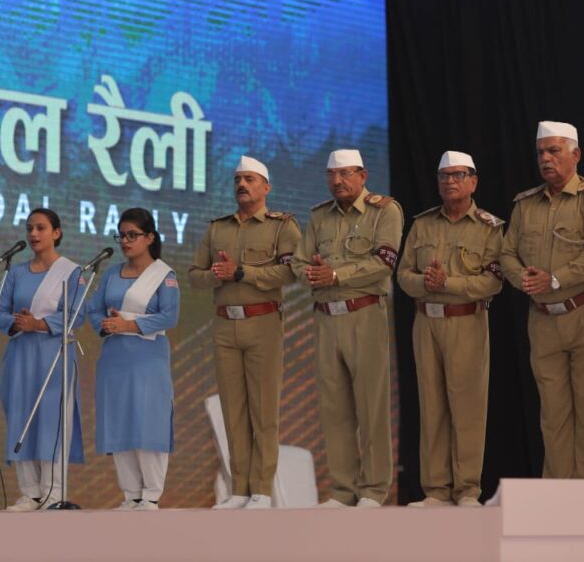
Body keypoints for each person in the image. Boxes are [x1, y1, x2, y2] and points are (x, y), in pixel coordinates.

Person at [499, 122, 584, 479]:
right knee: (552, 415)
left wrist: (554, 279)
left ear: (576, 155)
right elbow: (506, 254)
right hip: (543, 318)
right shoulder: (526, 204)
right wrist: (525, 279)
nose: (546, 159)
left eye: (554, 151)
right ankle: (556, 496)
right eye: (541, 152)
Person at [189, 156, 301, 510]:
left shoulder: (282, 226)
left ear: (266, 186)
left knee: (263, 411)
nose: (242, 185)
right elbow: (194, 276)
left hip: (263, 322)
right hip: (225, 325)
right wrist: (216, 275)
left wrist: (242, 273)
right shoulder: (217, 229)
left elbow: (291, 272)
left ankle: (262, 490)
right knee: (232, 411)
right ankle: (239, 489)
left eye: (250, 179)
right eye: (238, 179)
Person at [292, 149, 402, 508]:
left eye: (344, 174)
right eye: (331, 175)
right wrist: (311, 273)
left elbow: (384, 262)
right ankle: (342, 490)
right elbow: (299, 262)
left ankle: (373, 489)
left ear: (363, 175)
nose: (337, 181)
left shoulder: (384, 211)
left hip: (364, 314)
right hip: (325, 318)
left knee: (371, 407)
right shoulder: (319, 215)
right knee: (334, 410)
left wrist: (337, 274)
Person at [397, 151, 504, 508]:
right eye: (444, 176)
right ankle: (436, 490)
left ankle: (467, 490)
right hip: (426, 322)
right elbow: (403, 275)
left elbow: (493, 282)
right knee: (431, 406)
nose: (450, 182)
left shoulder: (489, 227)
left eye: (458, 175)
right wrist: (425, 283)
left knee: (467, 407)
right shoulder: (422, 224)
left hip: (466, 321)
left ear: (474, 181)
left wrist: (447, 284)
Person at [0, 208, 85, 511]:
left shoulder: (72, 272)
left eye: (41, 228)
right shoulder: (16, 273)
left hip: (53, 356)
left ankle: (52, 493)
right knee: (20, 418)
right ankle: (30, 493)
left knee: (51, 420)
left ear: (56, 233)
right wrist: (18, 323)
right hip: (20, 356)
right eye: (29, 228)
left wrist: (40, 324)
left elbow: (77, 314)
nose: (33, 234)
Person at [89, 208, 180, 510]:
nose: (125, 241)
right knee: (119, 421)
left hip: (148, 359)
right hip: (114, 357)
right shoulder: (111, 273)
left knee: (148, 421)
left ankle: (151, 494)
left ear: (150, 237)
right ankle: (131, 494)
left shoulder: (164, 275)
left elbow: (169, 316)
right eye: (122, 235)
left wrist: (129, 325)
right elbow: (93, 310)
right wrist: (106, 324)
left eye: (132, 235)